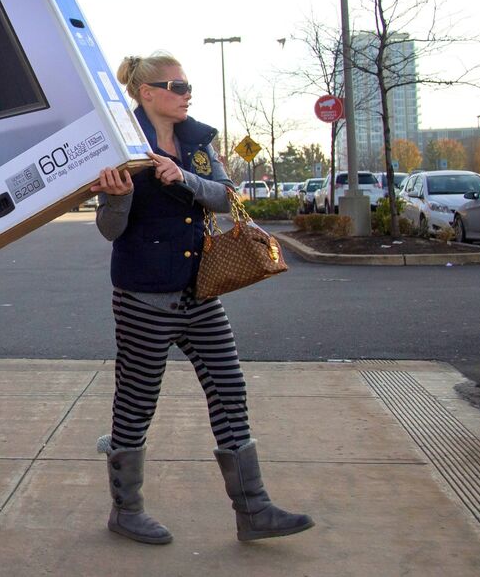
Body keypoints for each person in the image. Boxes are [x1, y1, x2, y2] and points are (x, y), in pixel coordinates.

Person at [90, 52, 313, 544]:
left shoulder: (197, 141)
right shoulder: (121, 145)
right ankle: (126, 512)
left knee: (230, 388)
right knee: (136, 402)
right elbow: (110, 230)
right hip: (144, 295)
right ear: (147, 94)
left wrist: (183, 177)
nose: (187, 92)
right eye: (176, 85)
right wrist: (119, 195)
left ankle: (253, 511)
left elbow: (228, 197)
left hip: (200, 290)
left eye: (187, 84)